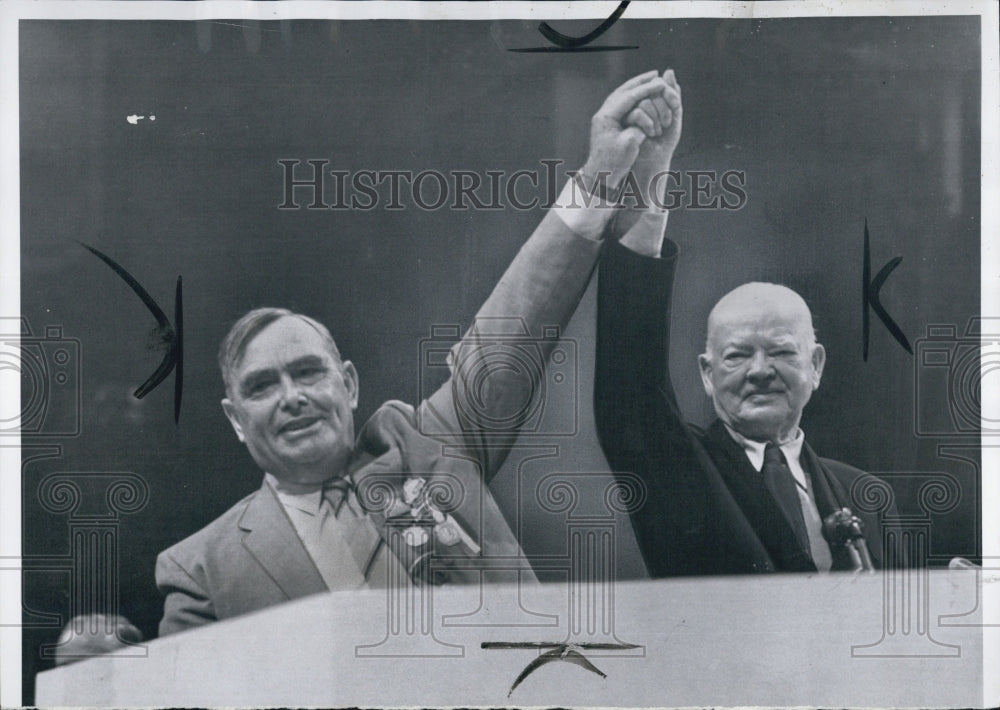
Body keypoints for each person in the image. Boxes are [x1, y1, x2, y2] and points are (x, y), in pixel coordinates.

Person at [51, 70, 679, 663]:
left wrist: (602, 174)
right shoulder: (201, 569)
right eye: (262, 387)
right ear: (235, 421)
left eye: (308, 372)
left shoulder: (425, 446)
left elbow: (510, 330)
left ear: (348, 385)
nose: (292, 396)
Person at [594, 70, 896, 577]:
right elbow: (630, 391)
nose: (760, 371)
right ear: (707, 374)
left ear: (816, 364)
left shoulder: (870, 497)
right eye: (736, 355)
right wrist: (650, 173)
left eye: (780, 351)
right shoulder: (681, 470)